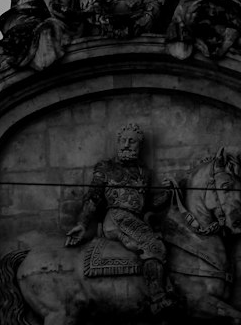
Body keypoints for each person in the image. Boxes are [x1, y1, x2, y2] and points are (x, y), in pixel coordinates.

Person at [65, 123, 177, 313]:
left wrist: (168, 192)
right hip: (116, 217)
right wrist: (82, 224)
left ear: (139, 146)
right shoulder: (106, 167)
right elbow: (94, 196)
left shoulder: (144, 172)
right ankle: (158, 299)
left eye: (131, 141)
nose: (126, 145)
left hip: (135, 219)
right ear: (118, 143)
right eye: (123, 140)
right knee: (154, 245)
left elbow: (149, 204)